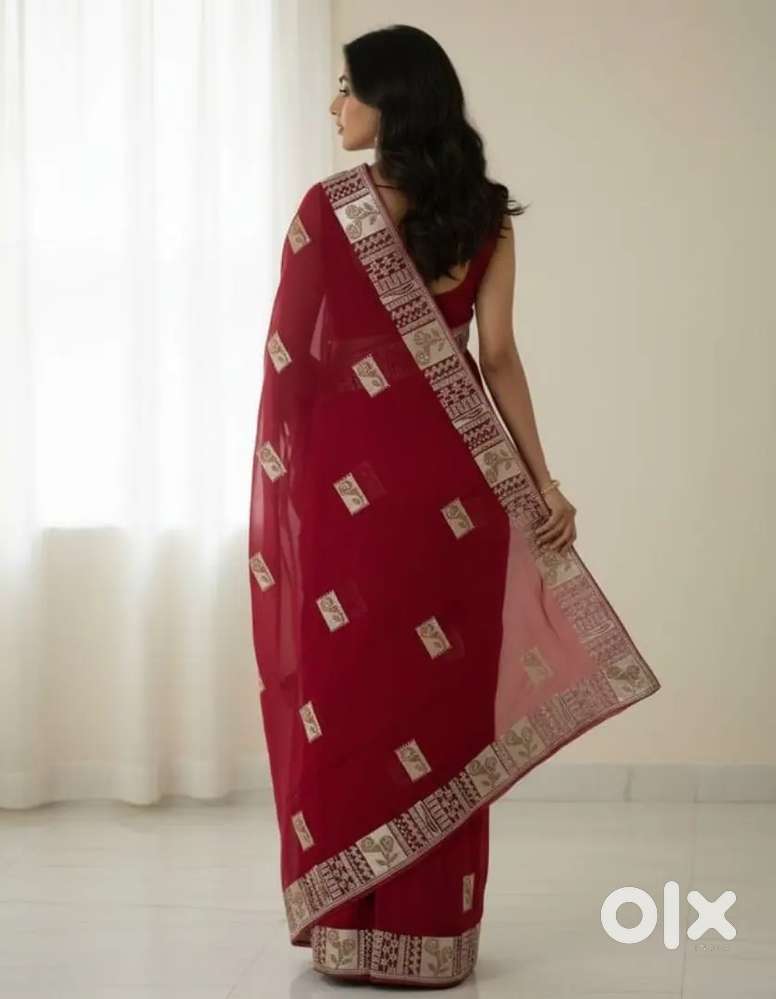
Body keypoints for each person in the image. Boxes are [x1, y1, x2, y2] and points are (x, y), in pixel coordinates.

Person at [248, 23, 661, 989]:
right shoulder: (484, 216)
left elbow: (292, 368)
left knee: (350, 696)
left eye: (348, 88)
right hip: (456, 499)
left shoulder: (328, 210)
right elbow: (498, 356)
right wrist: (543, 483)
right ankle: (433, 936)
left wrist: (293, 489)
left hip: (354, 500)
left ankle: (352, 930)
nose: (335, 107)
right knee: (437, 708)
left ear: (392, 101)